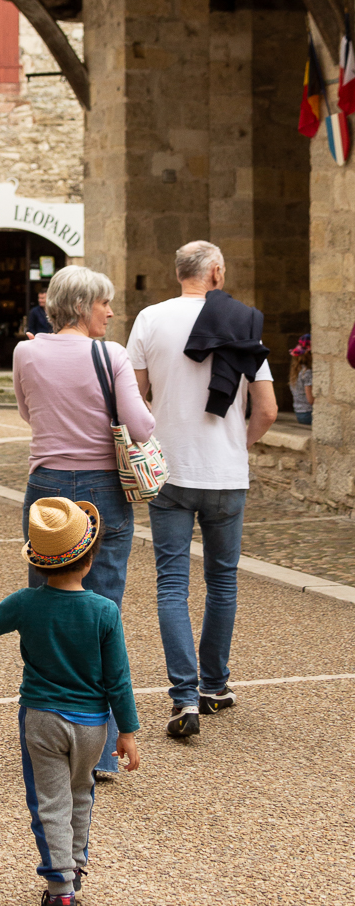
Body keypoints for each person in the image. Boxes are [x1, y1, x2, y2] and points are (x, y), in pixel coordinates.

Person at [0, 495, 140, 906]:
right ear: (90, 558)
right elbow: (119, 679)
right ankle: (74, 870)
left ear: (38, 563)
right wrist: (128, 732)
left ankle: (59, 893)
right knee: (81, 794)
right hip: (94, 725)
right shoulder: (104, 612)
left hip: (41, 719)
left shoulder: (27, 603)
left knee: (49, 803)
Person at [127, 240, 277, 740]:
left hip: (169, 469)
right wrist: (241, 442)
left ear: (178, 274)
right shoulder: (243, 320)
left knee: (172, 583)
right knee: (223, 582)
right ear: (214, 272)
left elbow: (137, 398)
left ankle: (184, 697)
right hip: (225, 471)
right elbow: (269, 408)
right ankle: (215, 686)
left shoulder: (150, 318)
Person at [13, 264, 152, 781]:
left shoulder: (26, 351)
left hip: (46, 488)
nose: (111, 313)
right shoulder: (110, 355)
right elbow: (140, 426)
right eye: (104, 304)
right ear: (80, 306)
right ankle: (102, 747)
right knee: (103, 616)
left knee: (44, 613)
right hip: (103, 491)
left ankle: (44, 738)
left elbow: (28, 414)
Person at [289, 335, 313, 427]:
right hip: (308, 414)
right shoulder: (308, 372)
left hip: (299, 413)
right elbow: (310, 399)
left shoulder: (296, 371)